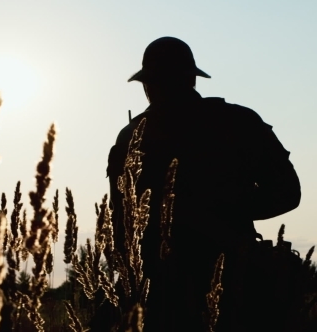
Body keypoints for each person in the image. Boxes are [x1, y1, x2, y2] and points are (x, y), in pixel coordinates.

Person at [106, 37, 301, 331]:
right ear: (193, 79)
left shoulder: (131, 137)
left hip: (189, 289)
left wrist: (213, 212)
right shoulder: (239, 122)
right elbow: (287, 193)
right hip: (213, 285)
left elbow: (120, 228)